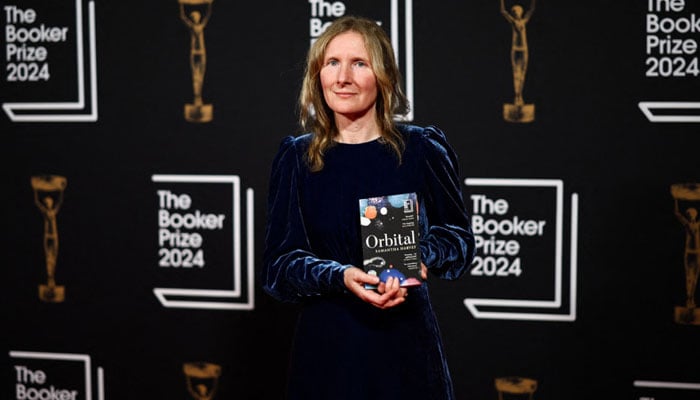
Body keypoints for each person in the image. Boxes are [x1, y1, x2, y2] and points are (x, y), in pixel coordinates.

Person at [262, 15, 475, 400]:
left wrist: (419, 257)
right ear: (317, 75)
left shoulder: (421, 148)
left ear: (383, 75)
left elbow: (458, 241)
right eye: (332, 63)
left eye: (359, 63)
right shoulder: (297, 157)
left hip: (404, 346)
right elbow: (279, 266)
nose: (343, 77)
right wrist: (339, 275)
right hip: (328, 348)